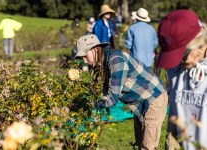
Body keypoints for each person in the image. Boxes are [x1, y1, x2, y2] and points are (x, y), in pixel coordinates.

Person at [75, 34, 168, 149]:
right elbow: (98, 90)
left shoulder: (116, 60)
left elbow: (112, 99)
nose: (84, 60)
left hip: (154, 97)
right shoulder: (102, 64)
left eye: (85, 56)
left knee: (148, 146)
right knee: (140, 143)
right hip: (139, 102)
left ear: (94, 50)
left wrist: (89, 104)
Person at [156, 10, 207, 149]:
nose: (178, 61)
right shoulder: (175, 70)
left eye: (181, 55)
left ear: (200, 45)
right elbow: (175, 113)